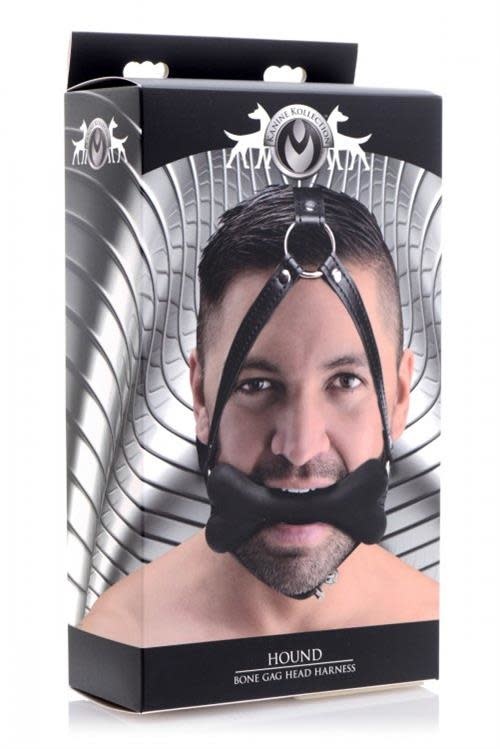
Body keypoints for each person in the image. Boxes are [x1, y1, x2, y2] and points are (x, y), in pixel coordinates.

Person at [79, 185, 439, 647]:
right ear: (200, 397)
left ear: (400, 397)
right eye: (257, 385)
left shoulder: (445, 637)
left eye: (345, 382)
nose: (300, 448)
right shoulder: (122, 639)